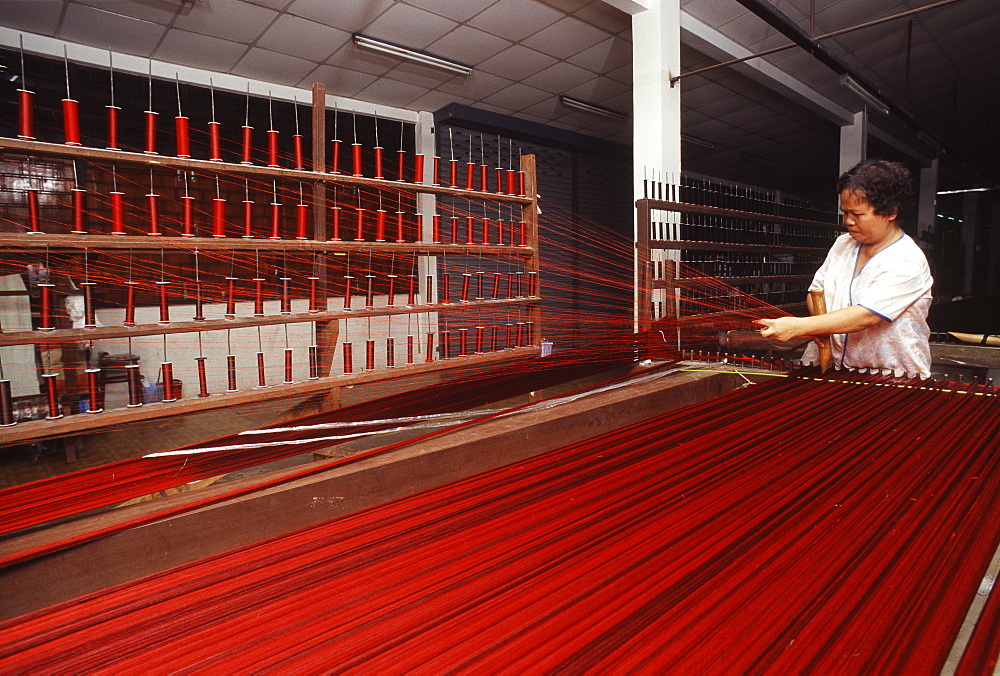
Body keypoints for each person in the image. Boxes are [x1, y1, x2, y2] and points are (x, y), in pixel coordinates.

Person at [757, 159, 933, 378]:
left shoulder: (906, 259)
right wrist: (820, 327)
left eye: (858, 214)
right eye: (845, 212)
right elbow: (816, 292)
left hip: (889, 376)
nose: (848, 221)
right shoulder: (843, 244)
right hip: (833, 368)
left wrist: (803, 327)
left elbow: (867, 315)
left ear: (891, 212)